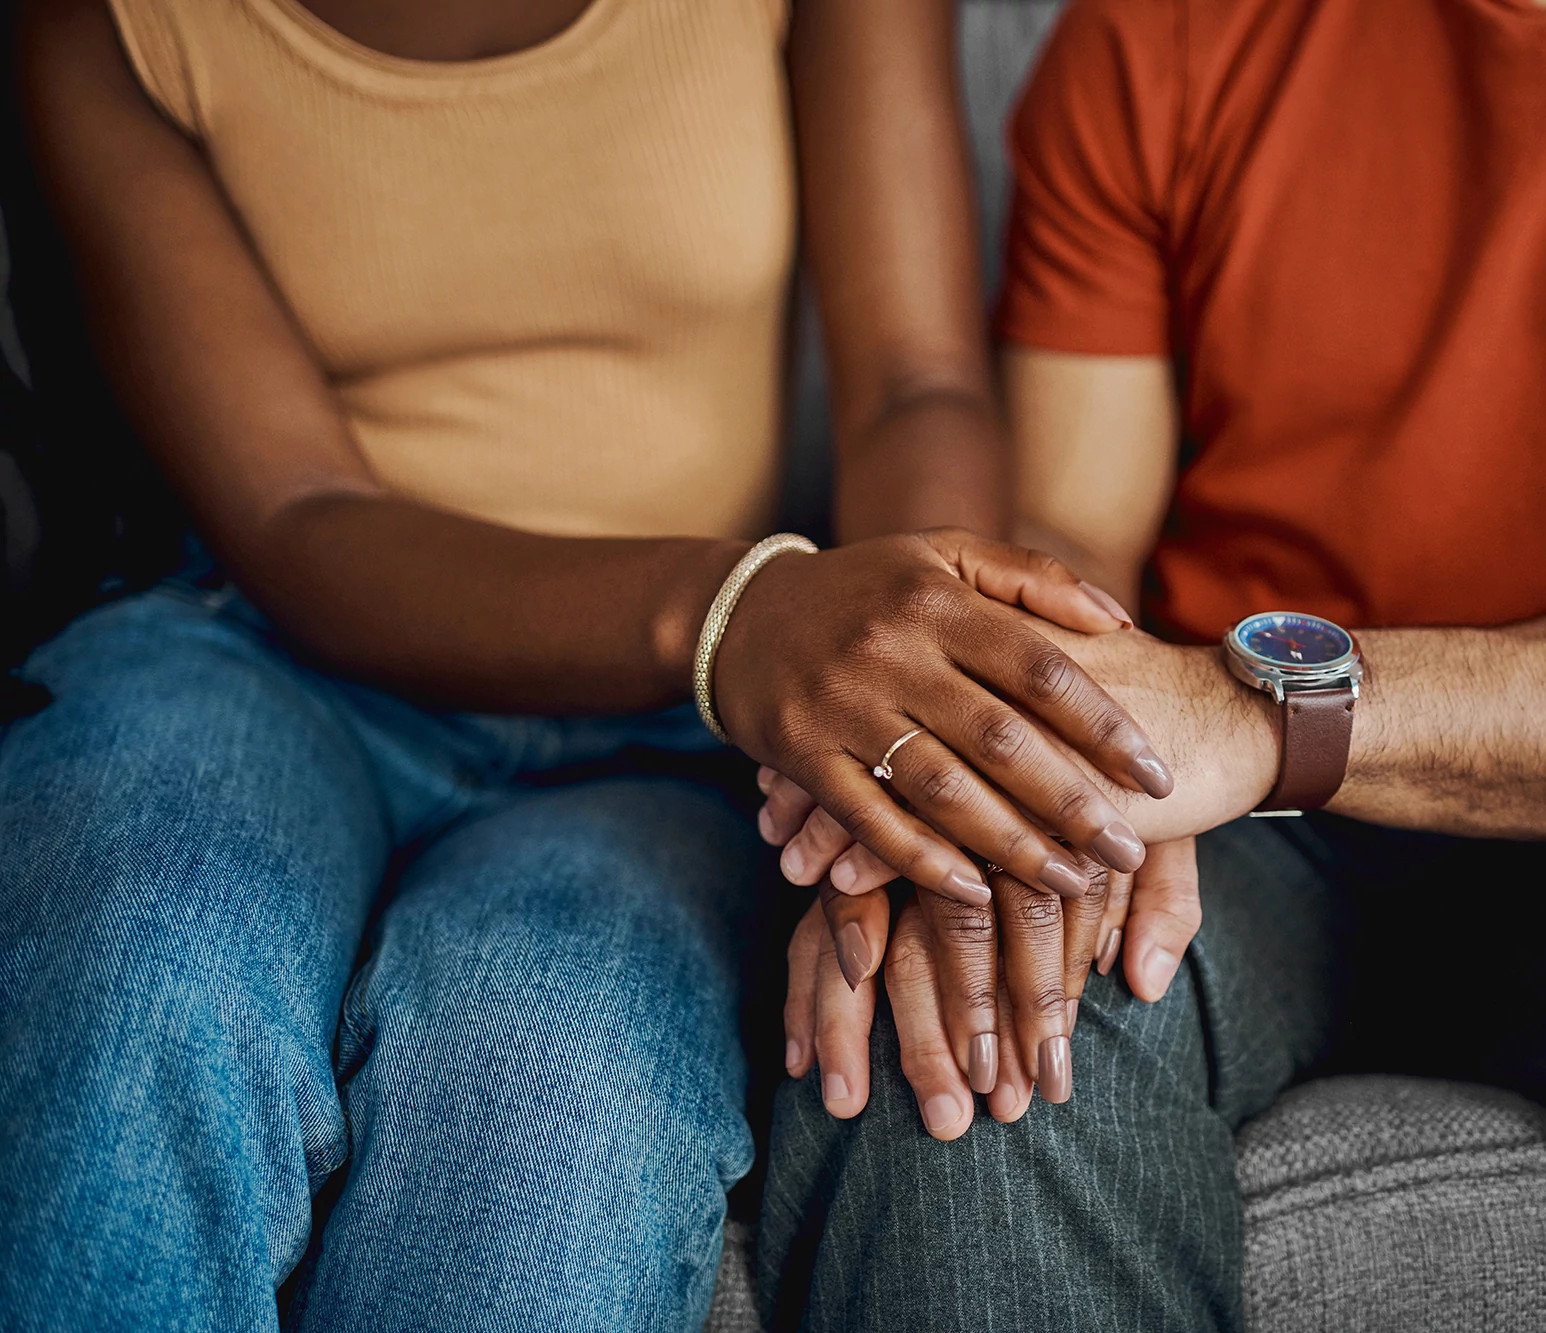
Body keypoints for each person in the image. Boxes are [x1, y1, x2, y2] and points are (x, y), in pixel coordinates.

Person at [757, 0, 1546, 1326]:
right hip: (1243, 837)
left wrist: (1254, 713)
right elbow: (1073, 536)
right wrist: (1037, 753)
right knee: (970, 1013)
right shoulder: (1158, 34)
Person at [0, 0, 1174, 1326]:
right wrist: (735, 612)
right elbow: (294, 514)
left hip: (674, 731)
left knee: (548, 1079)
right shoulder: (105, 29)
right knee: (142, 948)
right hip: (262, 659)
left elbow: (914, 383)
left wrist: (909, 739)